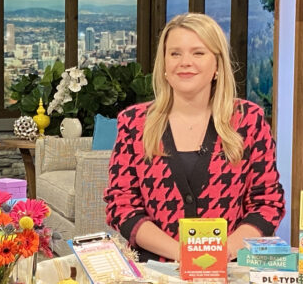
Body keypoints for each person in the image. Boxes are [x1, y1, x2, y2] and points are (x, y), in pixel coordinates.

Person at [104, 13, 285, 262]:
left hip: (228, 276)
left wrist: (222, 253)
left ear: (217, 65)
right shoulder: (134, 123)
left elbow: (268, 203)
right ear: (164, 64)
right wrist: (184, 255)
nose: (185, 62)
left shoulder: (248, 120)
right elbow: (121, 205)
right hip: (155, 275)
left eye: (198, 53)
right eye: (175, 53)